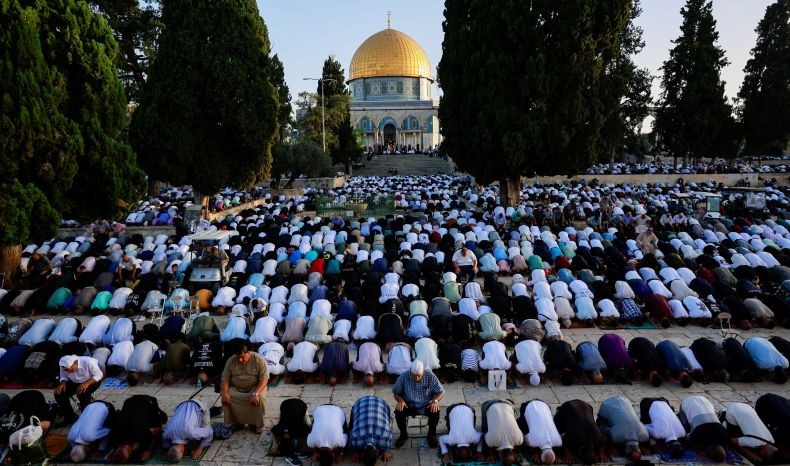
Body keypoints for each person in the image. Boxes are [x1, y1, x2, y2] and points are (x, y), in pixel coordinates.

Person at [392, 360, 443, 448]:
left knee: (435, 411)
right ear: (410, 371)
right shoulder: (403, 377)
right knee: (399, 411)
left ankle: (431, 435)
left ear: (423, 372)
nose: (416, 378)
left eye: (418, 376)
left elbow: (440, 392)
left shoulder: (430, 376)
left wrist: (435, 401)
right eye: (413, 376)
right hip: (409, 404)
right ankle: (403, 435)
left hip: (425, 404)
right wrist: (400, 400)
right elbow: (396, 392)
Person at [220, 343, 268, 433]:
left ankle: (255, 423)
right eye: (238, 357)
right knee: (226, 397)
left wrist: (256, 393)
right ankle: (237, 422)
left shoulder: (258, 359)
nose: (240, 360)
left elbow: (264, 379)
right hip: (236, 387)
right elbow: (225, 379)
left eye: (242, 357)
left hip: (255, 387)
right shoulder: (231, 361)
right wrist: (224, 393)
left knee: (259, 398)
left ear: (248, 353)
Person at [107, 395, 168, 463]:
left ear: (130, 451)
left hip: (148, 401)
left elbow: (158, 430)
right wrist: (112, 451)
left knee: (158, 422)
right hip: (129, 401)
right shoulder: (114, 434)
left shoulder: (139, 433)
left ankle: (160, 414)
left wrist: (149, 451)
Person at [596, 396, 648, 462]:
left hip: (625, 402)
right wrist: (604, 450)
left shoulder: (645, 435)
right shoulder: (617, 436)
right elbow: (602, 430)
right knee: (601, 425)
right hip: (607, 405)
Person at [678, 395, 728, 463]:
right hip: (686, 403)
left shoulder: (723, 435)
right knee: (685, 429)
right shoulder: (697, 437)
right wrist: (698, 450)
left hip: (704, 401)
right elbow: (686, 438)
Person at [554, 400, 605, 465]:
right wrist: (568, 454)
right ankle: (559, 411)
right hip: (567, 407)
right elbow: (563, 440)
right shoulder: (574, 438)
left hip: (586, 406)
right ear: (580, 452)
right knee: (556, 430)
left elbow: (603, 441)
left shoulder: (598, 438)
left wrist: (601, 452)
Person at [55, 355, 103, 423]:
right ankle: (70, 417)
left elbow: (99, 375)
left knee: (83, 393)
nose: (68, 372)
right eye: (67, 371)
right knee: (59, 393)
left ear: (75, 363)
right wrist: (62, 383)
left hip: (92, 380)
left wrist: (86, 383)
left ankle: (86, 418)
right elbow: (63, 377)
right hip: (75, 382)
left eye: (70, 370)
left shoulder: (88, 362)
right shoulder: (63, 365)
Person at [349, 395, 394, 466]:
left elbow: (391, 430)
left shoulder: (385, 440)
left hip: (381, 404)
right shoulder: (355, 440)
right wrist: (355, 452)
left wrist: (385, 451)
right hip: (360, 403)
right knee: (351, 428)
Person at [480, 399, 523, 466]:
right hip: (488, 405)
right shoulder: (491, 441)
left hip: (508, 405)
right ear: (499, 456)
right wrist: (491, 455)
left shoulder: (520, 440)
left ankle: (505, 401)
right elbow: (483, 437)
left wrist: (491, 455)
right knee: (484, 431)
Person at [518, 400, 562, 464]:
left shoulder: (559, 442)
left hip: (545, 405)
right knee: (522, 427)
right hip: (527, 406)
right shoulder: (532, 442)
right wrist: (534, 452)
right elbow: (523, 441)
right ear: (540, 453)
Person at [271, 398, 311, 466]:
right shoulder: (283, 421)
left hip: (298, 407)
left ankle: (295, 452)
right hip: (286, 407)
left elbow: (308, 426)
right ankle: (289, 456)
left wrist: (305, 444)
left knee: (306, 430)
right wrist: (274, 443)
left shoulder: (302, 416)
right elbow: (274, 430)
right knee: (286, 438)